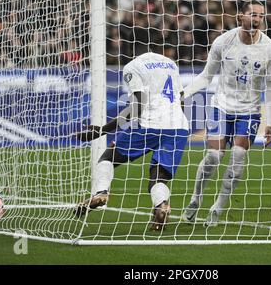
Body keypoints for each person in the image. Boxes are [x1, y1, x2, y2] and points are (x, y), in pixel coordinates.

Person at [181, 0, 271, 227]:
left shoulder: (270, 49)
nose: (256, 20)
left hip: (249, 112)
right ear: (240, 17)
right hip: (221, 107)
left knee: (238, 156)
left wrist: (270, 122)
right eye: (252, 14)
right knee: (214, 156)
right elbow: (206, 77)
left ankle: (218, 207)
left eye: (260, 16)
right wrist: (183, 94)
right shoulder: (223, 42)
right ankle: (196, 199)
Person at [75, 51, 189, 231]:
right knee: (158, 178)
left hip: (150, 124)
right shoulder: (170, 63)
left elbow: (138, 105)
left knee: (108, 158)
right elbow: (181, 97)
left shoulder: (132, 66)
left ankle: (101, 192)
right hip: (179, 126)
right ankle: (161, 205)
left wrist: (102, 130)